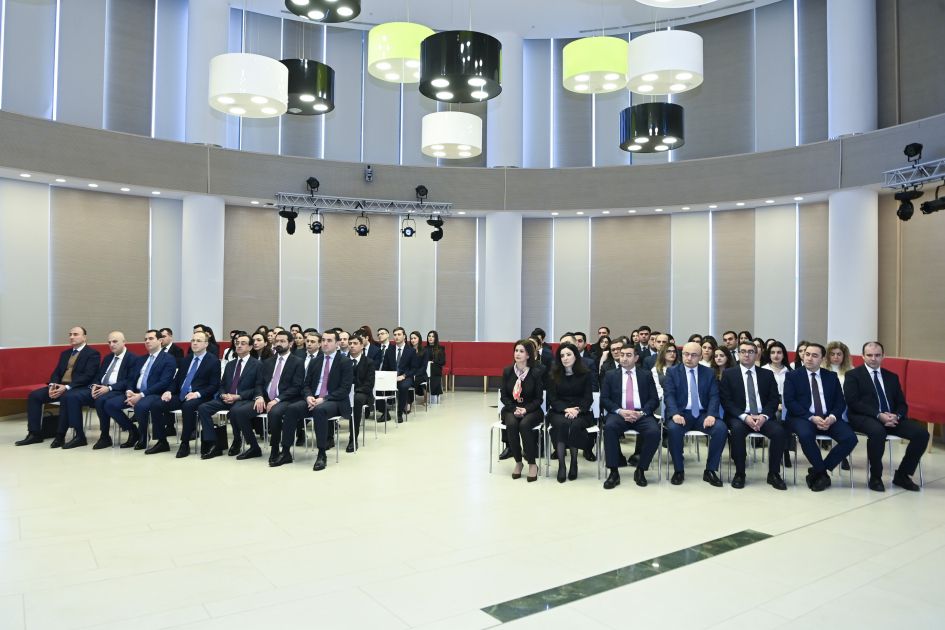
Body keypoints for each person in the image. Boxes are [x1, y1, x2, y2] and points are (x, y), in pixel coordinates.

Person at [844, 341, 927, 491]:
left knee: (921, 433)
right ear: (863, 356)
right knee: (877, 432)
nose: (873, 358)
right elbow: (853, 402)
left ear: (883, 356)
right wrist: (878, 415)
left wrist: (896, 416)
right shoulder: (853, 375)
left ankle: (902, 475)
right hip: (864, 417)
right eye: (869, 355)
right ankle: (875, 477)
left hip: (891, 418)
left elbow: (902, 404)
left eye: (877, 355)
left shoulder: (891, 377)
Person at [783, 343, 858, 492]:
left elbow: (840, 402)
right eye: (807, 354)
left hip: (828, 417)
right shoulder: (793, 376)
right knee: (806, 435)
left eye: (814, 355)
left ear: (822, 359)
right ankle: (822, 473)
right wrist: (811, 417)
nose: (809, 358)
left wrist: (832, 417)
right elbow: (790, 402)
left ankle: (818, 471)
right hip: (802, 417)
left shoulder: (831, 376)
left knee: (850, 438)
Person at [719, 341, 788, 490]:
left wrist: (764, 416)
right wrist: (745, 417)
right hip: (739, 416)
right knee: (737, 431)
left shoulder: (767, 374)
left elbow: (773, 399)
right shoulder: (729, 374)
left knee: (779, 432)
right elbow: (726, 401)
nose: (746, 354)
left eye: (751, 352)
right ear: (738, 354)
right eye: (743, 351)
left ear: (757, 354)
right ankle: (740, 473)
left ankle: (774, 474)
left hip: (763, 416)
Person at [17, 326, 101, 447]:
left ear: (84, 337)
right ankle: (34, 434)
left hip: (77, 388)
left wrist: (67, 387)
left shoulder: (92, 354)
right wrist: (53, 385)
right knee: (34, 396)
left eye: (75, 334)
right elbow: (57, 372)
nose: (71, 337)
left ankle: (60, 436)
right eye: (70, 334)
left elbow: (88, 376)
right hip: (60, 386)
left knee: (67, 396)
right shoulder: (65, 353)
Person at [229, 331, 305, 463]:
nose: (279, 343)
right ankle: (254, 447)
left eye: (282, 341)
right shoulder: (268, 362)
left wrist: (277, 400)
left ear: (290, 343)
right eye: (277, 341)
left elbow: (296, 387)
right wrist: (259, 396)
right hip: (265, 399)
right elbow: (259, 383)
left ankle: (275, 449)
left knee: (274, 413)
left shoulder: (297, 362)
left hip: (285, 399)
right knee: (239, 412)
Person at [283, 330, 353, 471]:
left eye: (329, 340)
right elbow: (306, 384)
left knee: (320, 411)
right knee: (291, 408)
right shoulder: (315, 361)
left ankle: (321, 454)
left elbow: (344, 389)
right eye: (323, 340)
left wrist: (324, 399)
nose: (325, 343)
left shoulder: (345, 362)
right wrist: (308, 396)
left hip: (335, 400)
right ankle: (285, 452)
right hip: (313, 399)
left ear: (337, 343)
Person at [663, 342, 727, 486]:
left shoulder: (709, 372)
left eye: (693, 355)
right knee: (673, 429)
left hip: (703, 414)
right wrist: (674, 414)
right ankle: (679, 470)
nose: (689, 358)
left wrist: (711, 415)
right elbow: (669, 395)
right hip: (681, 414)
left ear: (700, 356)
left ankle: (710, 470)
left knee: (721, 429)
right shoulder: (672, 372)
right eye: (686, 354)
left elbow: (714, 396)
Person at [101, 330, 176, 451]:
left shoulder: (168, 359)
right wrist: (129, 391)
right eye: (145, 339)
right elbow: (132, 378)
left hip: (154, 393)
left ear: (160, 341)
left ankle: (144, 436)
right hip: (135, 393)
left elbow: (164, 382)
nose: (147, 341)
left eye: (151, 338)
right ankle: (132, 430)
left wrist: (141, 395)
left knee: (140, 406)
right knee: (110, 404)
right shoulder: (141, 359)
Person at [63, 331, 137, 450]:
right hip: (101, 388)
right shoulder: (108, 358)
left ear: (124, 342)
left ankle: (106, 435)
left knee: (101, 400)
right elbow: (99, 375)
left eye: (115, 341)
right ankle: (79, 436)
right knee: (72, 396)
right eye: (109, 342)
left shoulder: (132, 358)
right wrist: (94, 385)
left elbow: (130, 380)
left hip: (118, 390)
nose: (111, 345)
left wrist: (109, 388)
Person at [601, 345, 661, 489]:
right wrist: (620, 411)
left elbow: (654, 399)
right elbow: (604, 399)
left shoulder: (646, 375)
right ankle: (613, 472)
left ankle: (640, 470)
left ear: (636, 358)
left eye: (628, 355)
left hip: (641, 414)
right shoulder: (610, 375)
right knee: (609, 428)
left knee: (654, 432)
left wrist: (642, 413)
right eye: (622, 355)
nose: (624, 358)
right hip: (619, 413)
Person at [196, 333, 260, 459]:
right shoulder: (230, 364)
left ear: (250, 347)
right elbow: (222, 384)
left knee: (235, 411)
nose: (239, 346)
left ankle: (238, 441)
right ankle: (213, 443)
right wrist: (223, 394)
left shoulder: (257, 364)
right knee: (203, 408)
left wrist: (238, 396)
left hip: (244, 399)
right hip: (227, 398)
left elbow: (258, 387)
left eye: (243, 343)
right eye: (237, 343)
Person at [159, 330, 221, 458]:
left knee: (188, 406)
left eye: (198, 341)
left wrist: (197, 394)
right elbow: (176, 380)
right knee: (158, 404)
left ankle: (185, 443)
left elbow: (214, 386)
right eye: (193, 340)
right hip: (182, 394)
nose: (195, 343)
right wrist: (169, 391)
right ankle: (161, 441)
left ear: (206, 344)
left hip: (201, 396)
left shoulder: (213, 361)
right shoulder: (186, 359)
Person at [545, 342, 594, 483]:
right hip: (559, 411)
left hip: (581, 411)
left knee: (574, 425)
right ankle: (562, 465)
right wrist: (566, 409)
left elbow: (588, 398)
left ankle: (574, 462)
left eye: (568, 354)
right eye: (562, 356)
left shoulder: (585, 374)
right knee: (562, 424)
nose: (565, 358)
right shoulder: (553, 374)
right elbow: (552, 399)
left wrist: (577, 410)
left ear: (575, 356)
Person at [500, 340, 545, 482]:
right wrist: (514, 408)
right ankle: (518, 462)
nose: (517, 354)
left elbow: (539, 399)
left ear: (528, 355)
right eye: (516, 351)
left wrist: (525, 409)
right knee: (512, 424)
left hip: (532, 409)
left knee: (524, 425)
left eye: (521, 351)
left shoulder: (536, 373)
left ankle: (532, 463)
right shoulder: (508, 371)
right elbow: (504, 396)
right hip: (511, 408)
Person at [762, 340, 794, 468]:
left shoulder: (789, 371)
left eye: (779, 352)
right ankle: (784, 451)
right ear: (769, 354)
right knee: (779, 416)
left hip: (787, 402)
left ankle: (784, 450)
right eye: (773, 352)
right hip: (769, 403)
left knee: (788, 417)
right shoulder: (763, 370)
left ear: (784, 354)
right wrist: (776, 405)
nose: (776, 355)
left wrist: (784, 405)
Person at [381, 327, 419, 422]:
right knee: (378, 386)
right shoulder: (389, 350)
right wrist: (388, 377)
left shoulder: (411, 351)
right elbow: (385, 367)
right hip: (392, 376)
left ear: (404, 336)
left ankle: (399, 413)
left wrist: (403, 376)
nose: (396, 337)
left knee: (403, 387)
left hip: (406, 377)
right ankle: (385, 413)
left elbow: (414, 369)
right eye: (395, 335)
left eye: (399, 334)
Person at [346, 334, 375, 452]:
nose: (352, 346)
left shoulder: (369, 362)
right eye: (350, 344)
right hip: (345, 392)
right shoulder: (342, 361)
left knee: (356, 400)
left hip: (362, 392)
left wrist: (354, 391)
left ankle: (353, 439)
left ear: (362, 346)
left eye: (355, 343)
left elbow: (369, 384)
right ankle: (329, 438)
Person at [426, 330, 446, 400]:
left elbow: (443, 361)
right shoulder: (424, 348)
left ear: (436, 338)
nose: (430, 338)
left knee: (433, 369)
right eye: (429, 336)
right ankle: (432, 393)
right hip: (426, 369)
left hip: (436, 368)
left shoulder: (441, 348)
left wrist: (433, 362)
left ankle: (434, 394)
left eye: (433, 336)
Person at [408, 331, 429, 396]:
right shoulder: (408, 350)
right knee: (406, 380)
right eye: (411, 338)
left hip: (421, 374)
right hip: (410, 373)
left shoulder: (425, 351)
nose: (413, 340)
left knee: (413, 380)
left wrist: (415, 374)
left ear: (419, 339)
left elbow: (424, 367)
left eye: (415, 338)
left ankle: (411, 398)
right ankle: (409, 399)